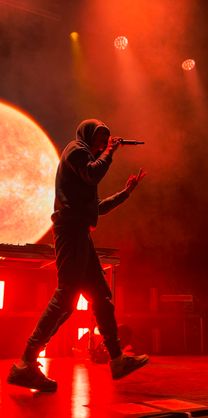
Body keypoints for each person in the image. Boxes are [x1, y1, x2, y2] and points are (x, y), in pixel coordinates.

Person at [7, 119, 148, 391]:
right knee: (66, 295)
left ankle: (117, 359)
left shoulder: (82, 170)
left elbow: (98, 207)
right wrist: (110, 151)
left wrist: (127, 193)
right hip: (70, 230)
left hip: (79, 232)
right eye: (100, 138)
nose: (102, 144)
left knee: (100, 295)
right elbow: (93, 173)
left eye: (106, 139)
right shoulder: (75, 151)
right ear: (87, 136)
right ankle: (26, 362)